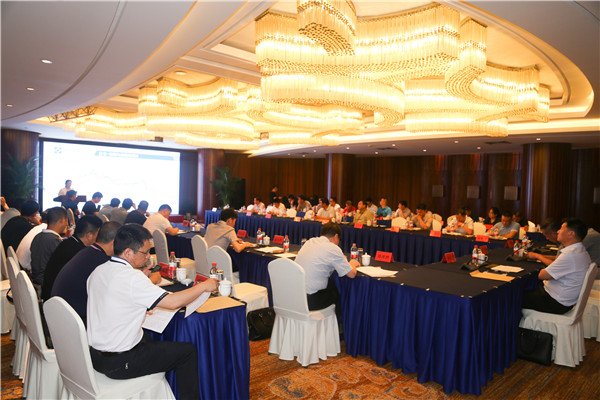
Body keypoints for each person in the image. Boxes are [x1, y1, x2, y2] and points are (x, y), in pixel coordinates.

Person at [87, 224, 217, 400]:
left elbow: (109, 303)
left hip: (95, 356)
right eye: (145, 252)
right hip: (119, 363)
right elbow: (173, 302)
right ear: (128, 252)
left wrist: (134, 311)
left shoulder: (98, 270)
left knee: (150, 338)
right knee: (187, 352)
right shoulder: (132, 278)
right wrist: (204, 286)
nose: (149, 257)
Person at [51, 222, 120, 323]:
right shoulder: (102, 262)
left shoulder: (87, 252)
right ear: (114, 243)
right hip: (76, 321)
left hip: (59, 315)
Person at [523, 219, 591, 314]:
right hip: (565, 300)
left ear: (571, 234)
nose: (558, 231)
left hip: (555, 302)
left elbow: (542, 276)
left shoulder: (570, 255)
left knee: (514, 296)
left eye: (562, 229)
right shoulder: (581, 251)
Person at [295, 223, 358, 311]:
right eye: (339, 239)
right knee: (336, 294)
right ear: (336, 236)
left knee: (330, 285)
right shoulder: (333, 248)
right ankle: (335, 319)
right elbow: (352, 274)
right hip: (310, 300)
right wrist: (352, 263)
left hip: (295, 295)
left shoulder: (310, 242)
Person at [41, 215, 102, 301]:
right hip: (60, 302)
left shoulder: (67, 243)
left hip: (51, 297)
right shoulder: (81, 254)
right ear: (89, 236)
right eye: (98, 235)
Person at [30, 207, 68, 294]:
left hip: (35, 281)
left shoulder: (37, 237)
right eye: (66, 221)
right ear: (62, 220)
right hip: (48, 285)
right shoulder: (55, 242)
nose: (66, 224)